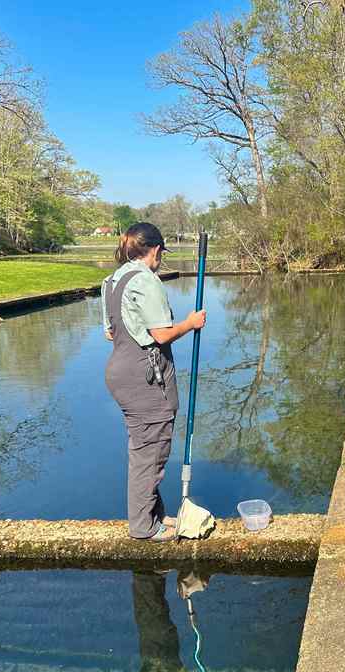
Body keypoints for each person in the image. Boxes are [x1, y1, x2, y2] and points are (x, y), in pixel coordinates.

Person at [102, 222, 207, 542]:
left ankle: (154, 515)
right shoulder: (146, 280)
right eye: (162, 253)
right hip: (145, 377)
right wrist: (190, 323)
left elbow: (110, 333)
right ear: (157, 250)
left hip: (121, 371)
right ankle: (144, 526)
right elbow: (160, 334)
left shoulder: (111, 281)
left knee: (146, 447)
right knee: (152, 451)